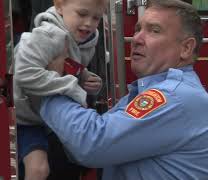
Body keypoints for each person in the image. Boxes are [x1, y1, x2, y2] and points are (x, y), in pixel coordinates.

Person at [40, 0, 208, 179]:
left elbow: (91, 143)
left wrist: (48, 83)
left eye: (154, 30)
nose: (136, 39)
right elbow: (79, 149)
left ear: (186, 48)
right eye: (137, 29)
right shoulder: (150, 91)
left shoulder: (175, 97)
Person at [13, 0, 106, 179]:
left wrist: (85, 78)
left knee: (77, 162)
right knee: (38, 169)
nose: (89, 23)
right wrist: (70, 85)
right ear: (59, 7)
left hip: (46, 114)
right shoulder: (49, 34)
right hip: (25, 118)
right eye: (82, 14)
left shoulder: (84, 39)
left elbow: (69, 65)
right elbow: (24, 72)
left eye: (96, 17)